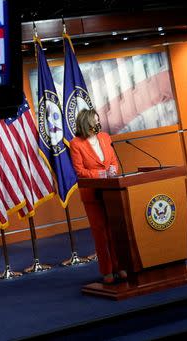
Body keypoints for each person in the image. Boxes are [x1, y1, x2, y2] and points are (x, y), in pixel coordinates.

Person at [68, 109, 126, 285]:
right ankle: (107, 270)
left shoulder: (105, 137)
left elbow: (114, 161)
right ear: (87, 123)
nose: (99, 123)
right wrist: (101, 174)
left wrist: (114, 169)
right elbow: (80, 171)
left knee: (114, 230)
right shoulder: (76, 144)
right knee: (101, 233)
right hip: (92, 194)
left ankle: (119, 266)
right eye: (96, 120)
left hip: (111, 192)